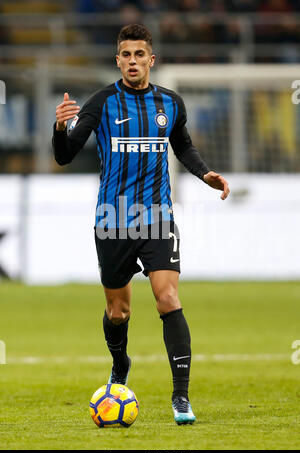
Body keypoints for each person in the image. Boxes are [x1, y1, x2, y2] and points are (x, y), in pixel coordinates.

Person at [52, 23, 230, 425]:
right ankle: (120, 365)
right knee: (118, 313)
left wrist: (205, 175)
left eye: (139, 54)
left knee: (167, 298)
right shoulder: (101, 104)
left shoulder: (171, 103)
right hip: (112, 220)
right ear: (118, 60)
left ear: (152, 59)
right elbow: (65, 156)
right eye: (125, 55)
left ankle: (180, 398)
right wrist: (60, 127)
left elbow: (181, 144)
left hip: (157, 216)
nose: (132, 61)